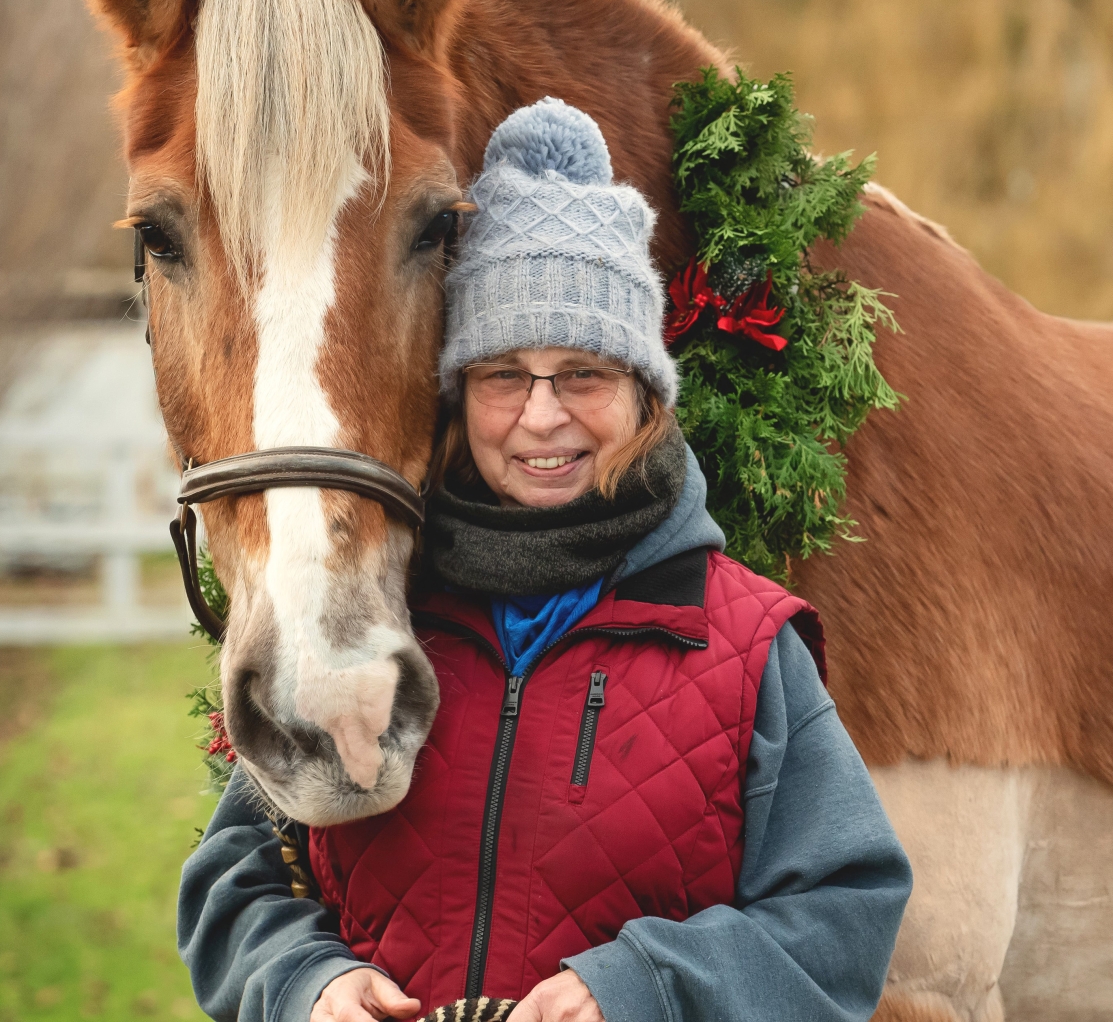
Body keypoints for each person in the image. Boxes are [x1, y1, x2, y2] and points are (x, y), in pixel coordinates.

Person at [178, 99, 911, 1022]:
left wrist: (643, 992)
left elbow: (847, 916)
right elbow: (232, 884)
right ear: (457, 394)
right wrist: (304, 984)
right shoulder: (377, 626)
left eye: (583, 374)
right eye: (502, 375)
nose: (540, 415)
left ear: (646, 392)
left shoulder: (743, 645)